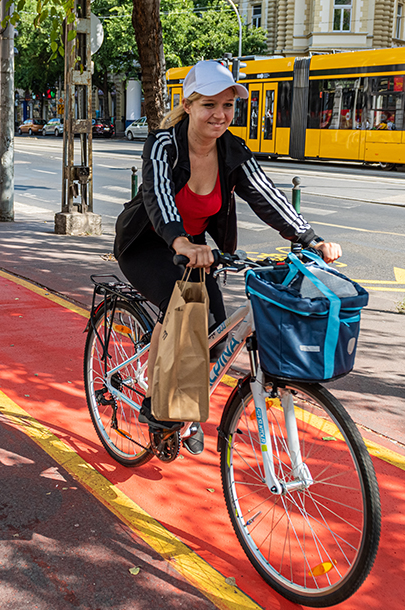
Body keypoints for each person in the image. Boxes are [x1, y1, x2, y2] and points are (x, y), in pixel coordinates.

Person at [114, 60, 342, 455]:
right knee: (187, 318)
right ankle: (160, 403)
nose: (220, 115)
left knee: (216, 337)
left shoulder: (231, 150)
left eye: (228, 105)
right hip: (149, 244)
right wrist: (180, 241)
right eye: (209, 105)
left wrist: (310, 238)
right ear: (188, 105)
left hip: (195, 252)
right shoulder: (163, 143)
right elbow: (158, 197)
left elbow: (266, 194)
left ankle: (182, 409)